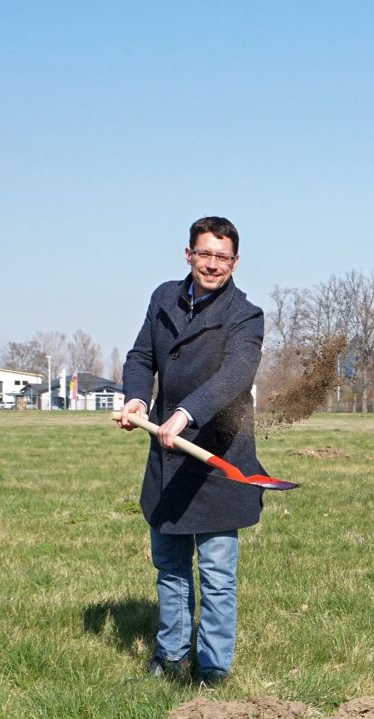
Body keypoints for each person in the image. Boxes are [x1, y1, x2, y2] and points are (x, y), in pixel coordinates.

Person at [115, 216, 266, 686]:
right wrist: (138, 398)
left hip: (218, 456)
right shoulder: (164, 297)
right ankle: (170, 655)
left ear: (235, 262)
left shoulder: (246, 316)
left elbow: (235, 376)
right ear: (188, 254)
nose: (213, 265)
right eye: (205, 254)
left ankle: (213, 669)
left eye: (223, 257)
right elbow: (143, 356)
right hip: (168, 454)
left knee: (217, 573)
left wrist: (185, 413)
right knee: (171, 565)